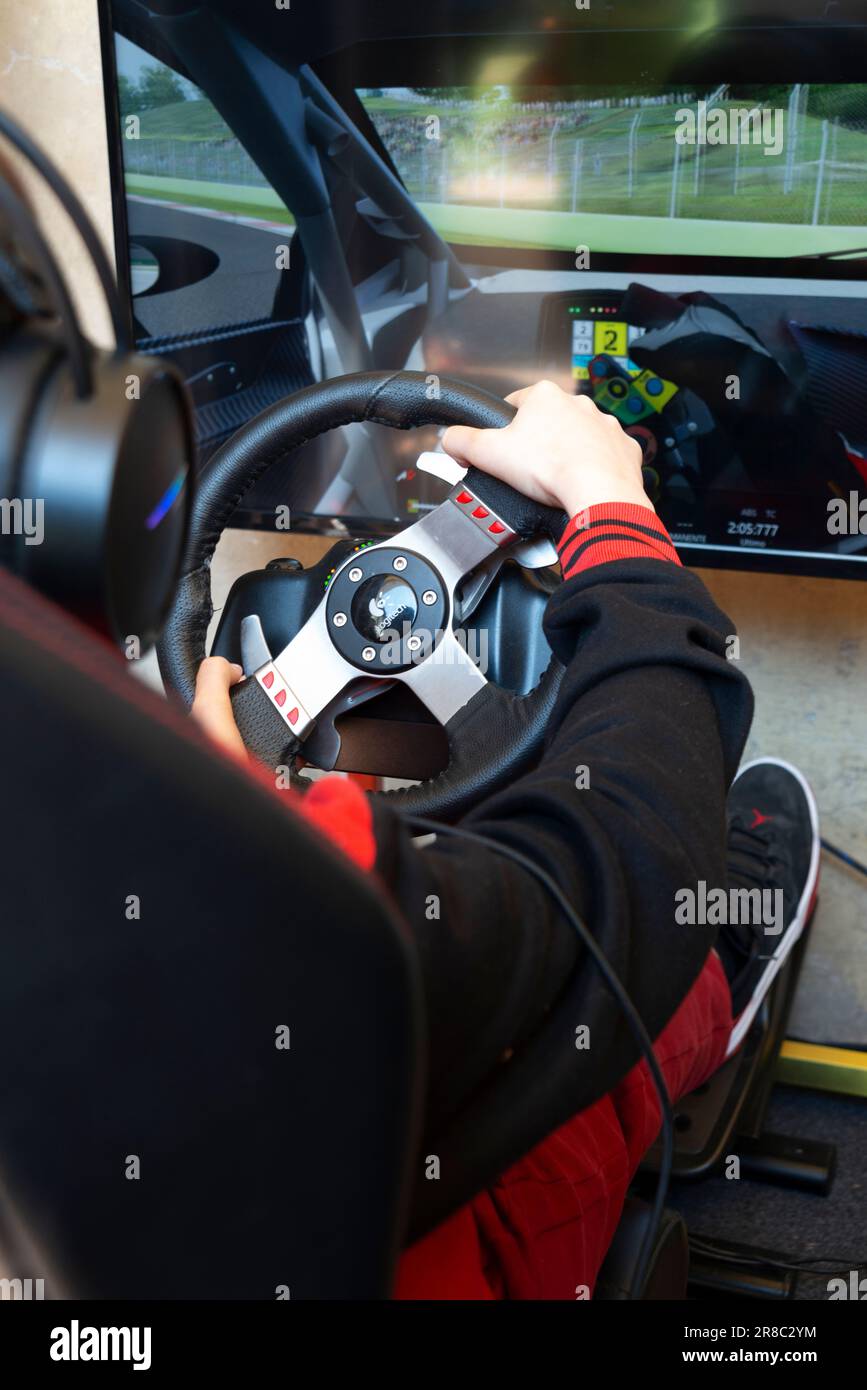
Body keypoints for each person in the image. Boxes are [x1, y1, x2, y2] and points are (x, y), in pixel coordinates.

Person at [191, 381, 820, 1300]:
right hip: (463, 1252)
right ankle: (721, 976)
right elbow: (638, 856)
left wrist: (225, 795)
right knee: (626, 953)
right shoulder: (309, 922)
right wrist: (608, 502)